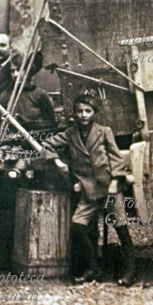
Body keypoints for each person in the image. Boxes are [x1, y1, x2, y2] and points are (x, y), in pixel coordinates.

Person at [43, 95, 136, 285]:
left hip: (109, 188)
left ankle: (130, 271)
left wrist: (114, 181)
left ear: (94, 113)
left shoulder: (104, 132)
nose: (83, 115)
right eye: (79, 111)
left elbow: (116, 158)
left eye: (88, 111)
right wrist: (57, 161)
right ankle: (93, 268)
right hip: (88, 190)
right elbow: (46, 144)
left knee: (121, 228)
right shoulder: (70, 134)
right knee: (77, 226)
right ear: (75, 113)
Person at [0, 53, 56, 132]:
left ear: (27, 70)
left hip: (37, 136)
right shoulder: (5, 95)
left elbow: (51, 122)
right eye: (12, 71)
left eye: (19, 70)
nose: (15, 74)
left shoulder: (39, 94)